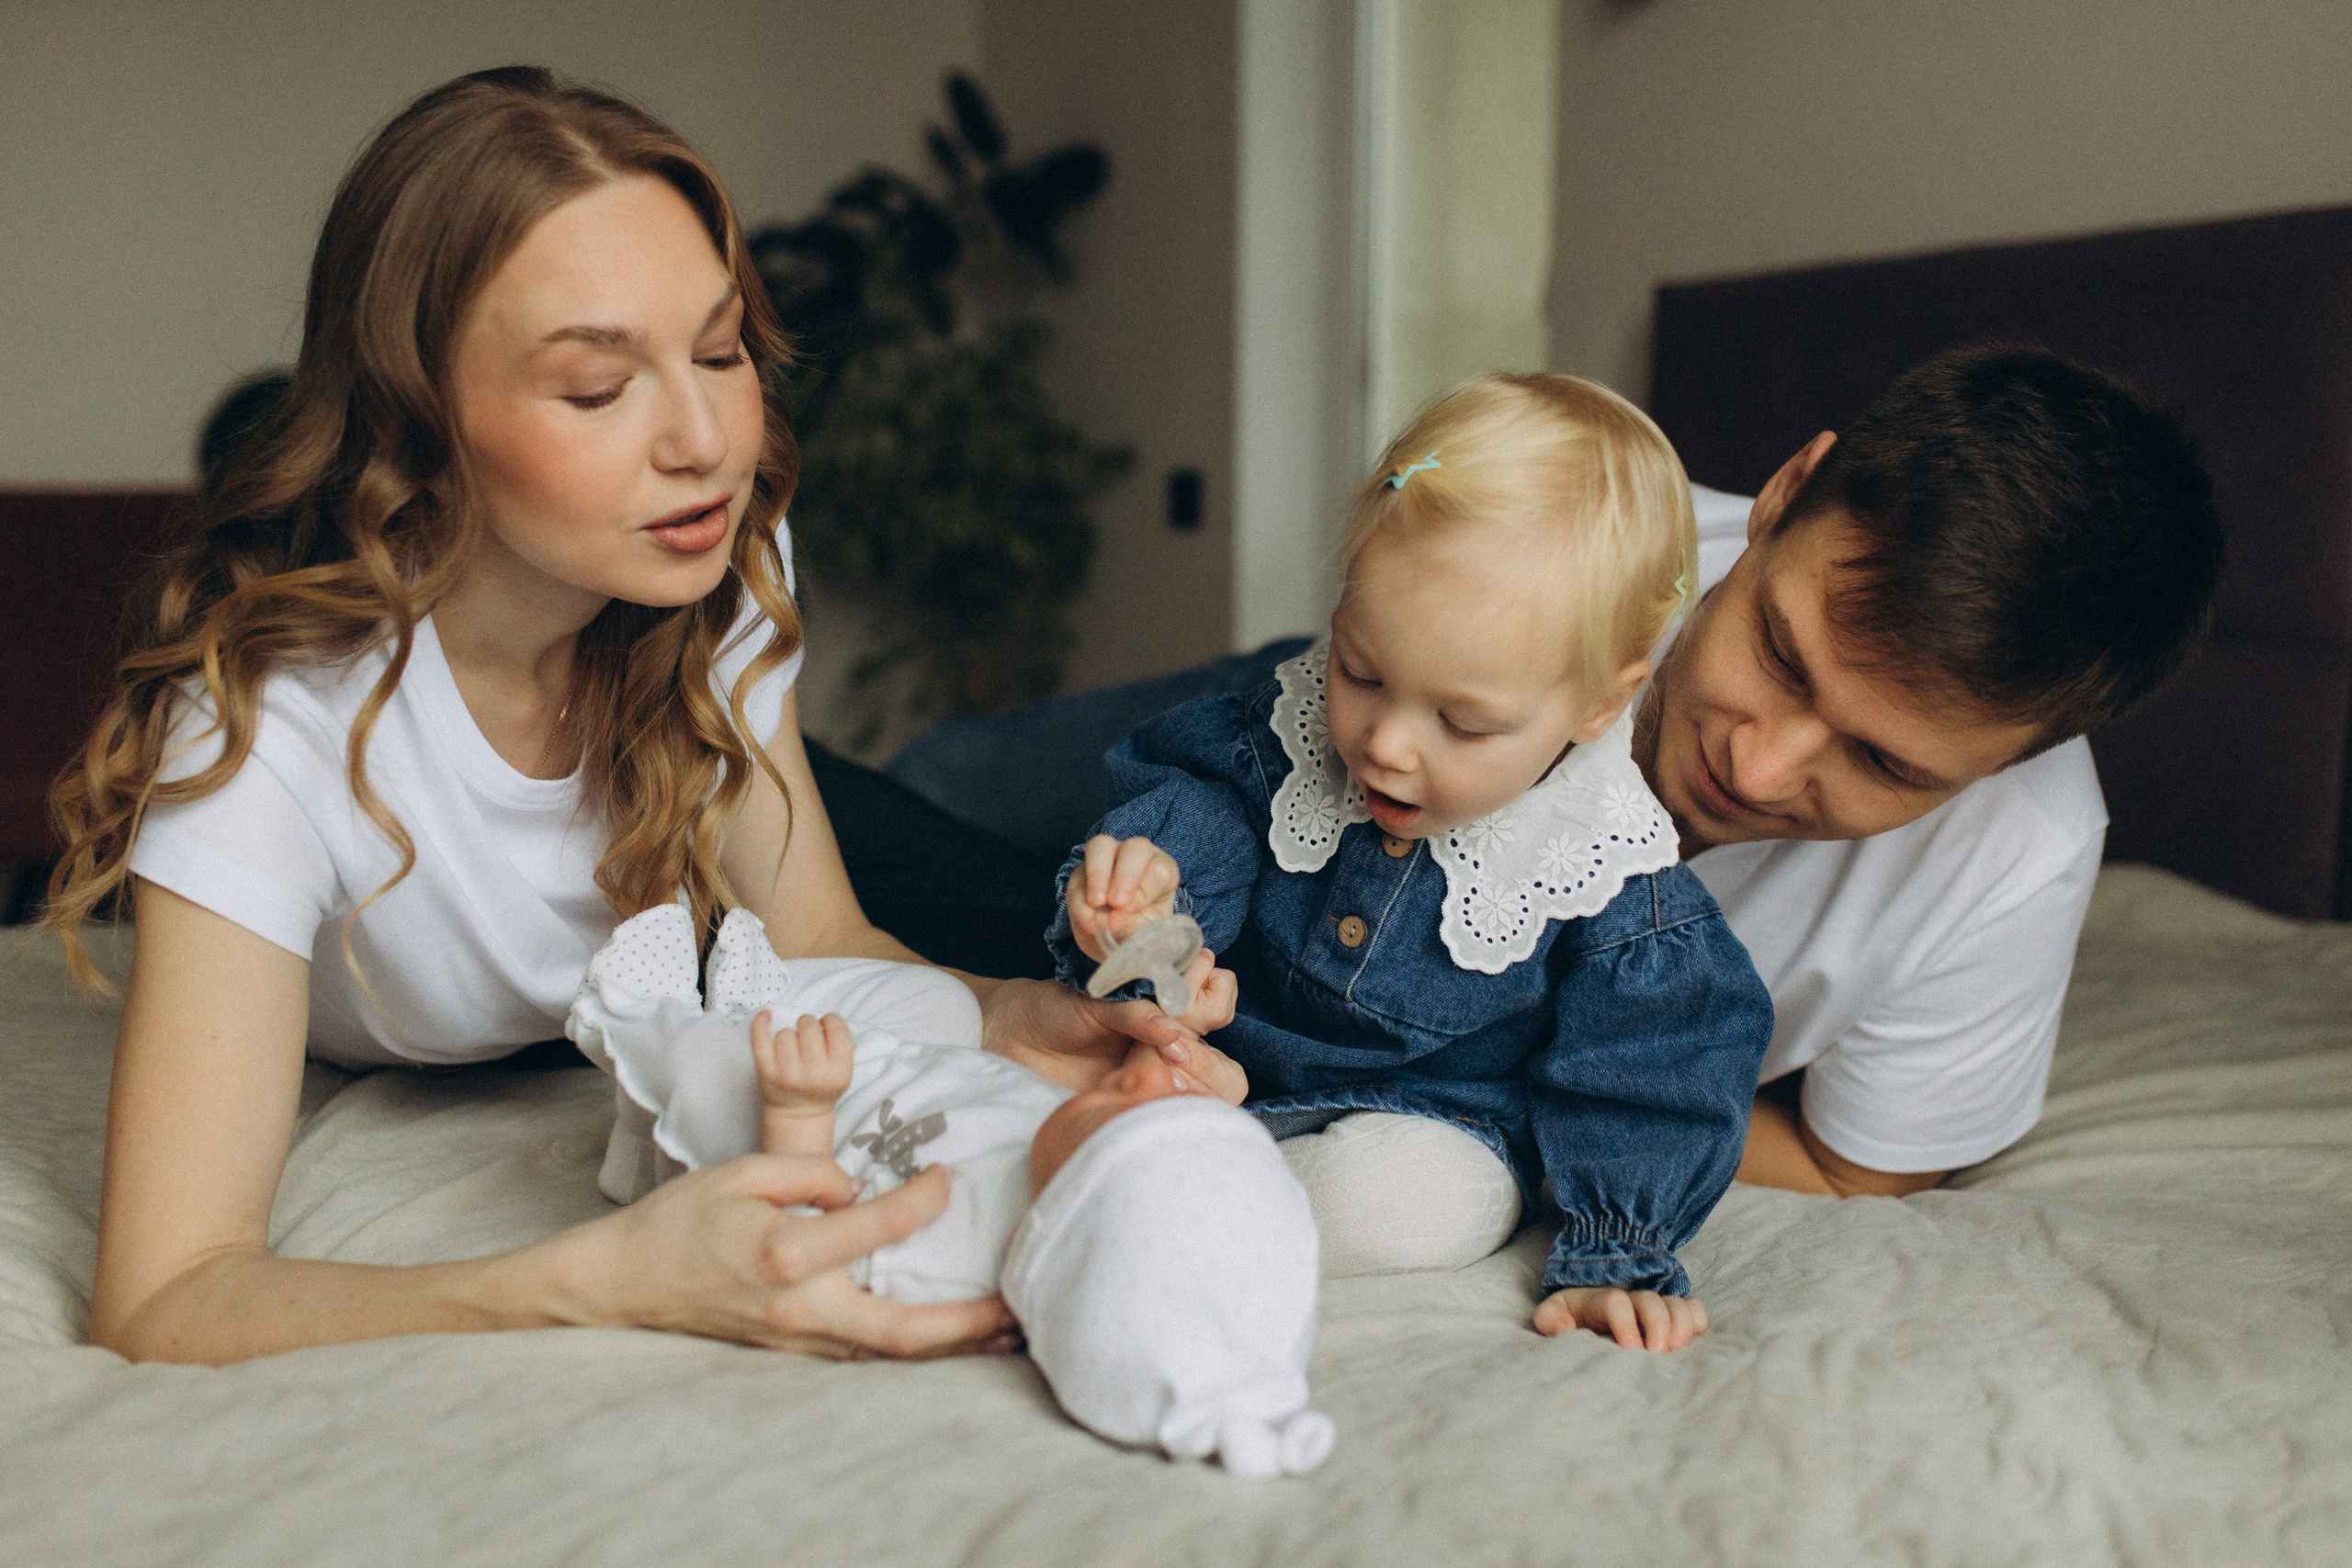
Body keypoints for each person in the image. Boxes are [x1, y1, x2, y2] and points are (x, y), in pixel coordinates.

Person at [43, 66, 1225, 1368]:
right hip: (651, 856)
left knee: (1112, 943)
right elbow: (163, 1295)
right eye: (599, 387)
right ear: (418, 422)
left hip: (698, 794)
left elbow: (819, 939)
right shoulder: (272, 737)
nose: (705, 440)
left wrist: (999, 1016)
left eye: (721, 352)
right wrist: (606, 1277)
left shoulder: (718, 568)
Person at [1050, 373, 1777, 1352]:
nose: (1386, 744)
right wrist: (1141, 910)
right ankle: (1158, 1146)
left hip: (1436, 1121)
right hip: (1217, 1059)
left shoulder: (1602, 866)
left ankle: (1188, 1211)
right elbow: (1201, 832)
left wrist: (1618, 1253)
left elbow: (1658, 1065)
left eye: (1463, 723)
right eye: (1362, 671)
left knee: (1415, 1202)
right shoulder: (1281, 742)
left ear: (1600, 705)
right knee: (1068, 1056)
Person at [568, 903, 1334, 1477]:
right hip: (890, 1065)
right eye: (1176, 1104)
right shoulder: (1070, 1169)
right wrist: (1164, 1031)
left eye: (1119, 1109)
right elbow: (1129, 1132)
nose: (1145, 1080)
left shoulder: (943, 1262)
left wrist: (798, 1110)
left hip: (788, 1120)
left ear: (1048, 1234)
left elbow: (796, 1247)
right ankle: (753, 1002)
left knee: (713, 1078)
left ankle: (639, 1019)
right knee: (943, 1006)